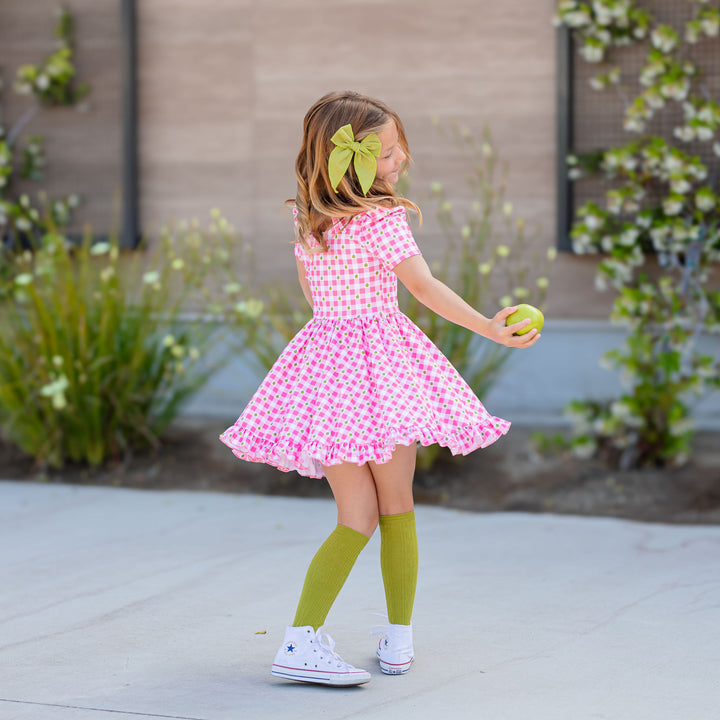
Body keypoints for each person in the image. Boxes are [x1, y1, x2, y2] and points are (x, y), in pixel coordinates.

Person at [220, 90, 540, 687]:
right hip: (382, 369)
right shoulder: (384, 219)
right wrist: (489, 329)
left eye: (396, 149)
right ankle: (383, 637)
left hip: (325, 371)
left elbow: (314, 299)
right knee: (395, 505)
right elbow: (422, 288)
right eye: (388, 153)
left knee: (356, 514)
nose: (400, 161)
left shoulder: (308, 220)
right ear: (355, 161)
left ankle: (314, 637)